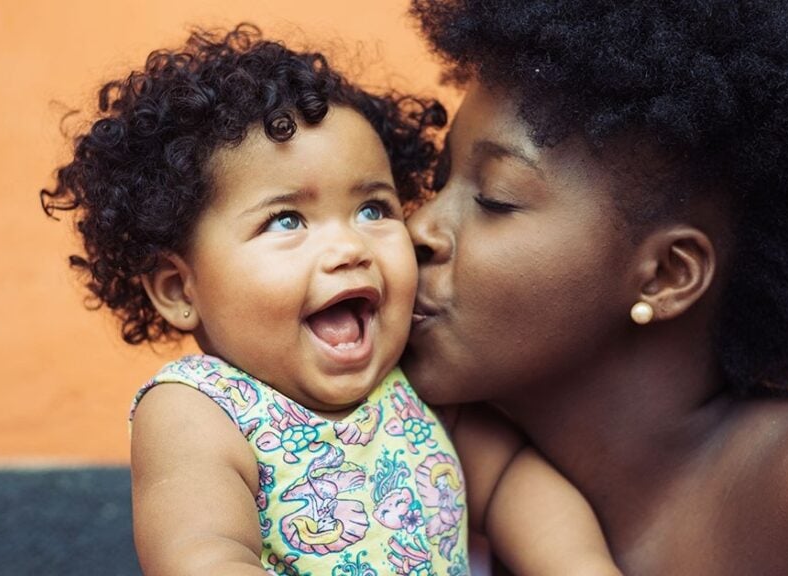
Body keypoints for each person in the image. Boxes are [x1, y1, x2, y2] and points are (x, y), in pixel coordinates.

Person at [41, 24, 619, 575]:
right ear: (178, 290)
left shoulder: (411, 384)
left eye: (373, 210)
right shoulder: (200, 410)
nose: (349, 246)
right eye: (287, 219)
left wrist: (580, 565)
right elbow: (203, 553)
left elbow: (512, 482)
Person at [402, 0, 788, 574]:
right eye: (441, 180)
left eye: (496, 198)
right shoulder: (412, 458)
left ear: (667, 275)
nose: (417, 228)